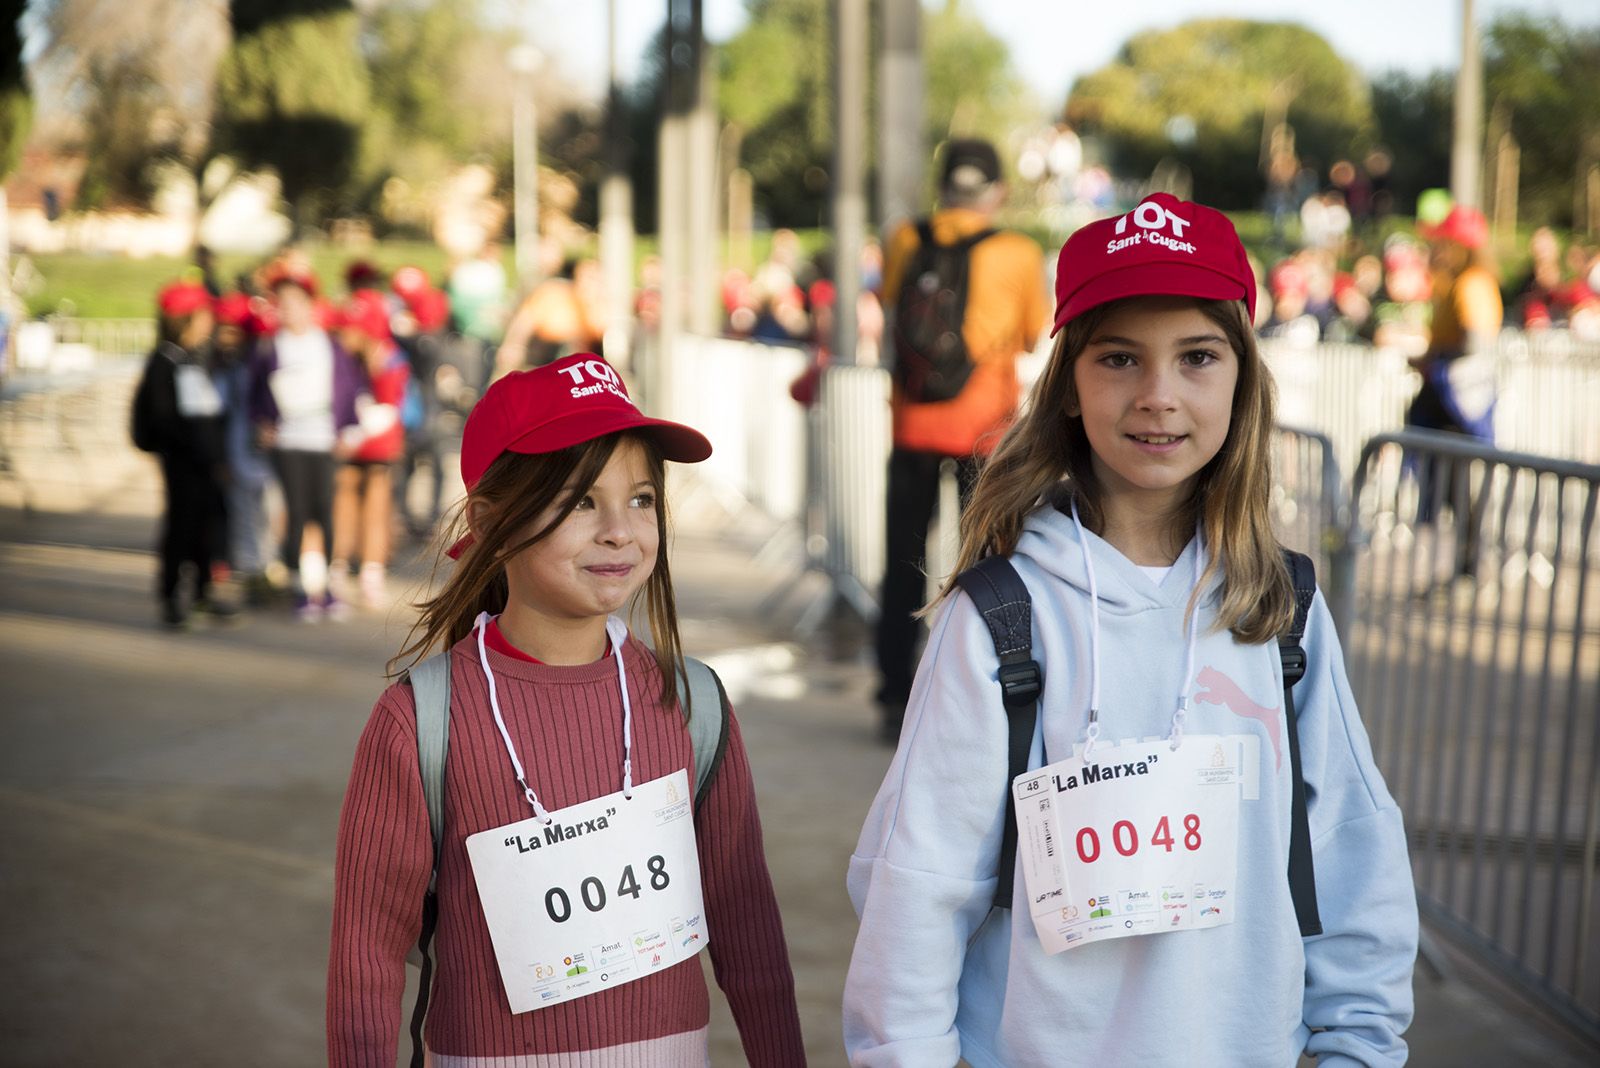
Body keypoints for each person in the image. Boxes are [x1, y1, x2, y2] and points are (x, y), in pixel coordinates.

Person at [843, 193, 1418, 1066]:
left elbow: (1351, 847)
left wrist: (1357, 1047)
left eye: (1197, 358)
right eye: (1119, 359)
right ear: (1070, 384)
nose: (1159, 397)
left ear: (1243, 379)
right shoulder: (1002, 619)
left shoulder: (1282, 607)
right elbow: (917, 886)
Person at [327, 353, 807, 1066]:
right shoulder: (422, 721)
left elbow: (747, 927)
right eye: (582, 501)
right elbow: (366, 958)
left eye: (641, 499)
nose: (619, 530)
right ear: (492, 523)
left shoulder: (692, 703)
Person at [875, 137, 1049, 741]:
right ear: (997, 191)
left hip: (912, 423)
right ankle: (982, 691)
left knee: (902, 561)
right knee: (986, 562)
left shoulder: (904, 239)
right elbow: (1031, 334)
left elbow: (894, 306)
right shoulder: (1018, 251)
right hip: (983, 430)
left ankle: (894, 697)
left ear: (944, 187)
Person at [248, 270, 364, 621]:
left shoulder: (328, 345)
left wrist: (349, 430)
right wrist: (262, 425)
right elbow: (254, 395)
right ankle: (300, 585)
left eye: (297, 303)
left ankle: (329, 584)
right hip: (289, 440)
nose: (290, 311)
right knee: (296, 511)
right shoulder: (270, 347)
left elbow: (348, 389)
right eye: (283, 304)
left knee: (325, 510)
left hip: (323, 439)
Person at [1405, 204, 1501, 581]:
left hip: (1456, 403)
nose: (1438, 248)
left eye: (1445, 241)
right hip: (1443, 400)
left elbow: (1475, 342)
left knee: (1460, 489)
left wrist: (1436, 361)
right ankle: (1463, 566)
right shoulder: (1454, 281)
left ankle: (1470, 567)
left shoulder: (1473, 282)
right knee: (1451, 489)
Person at [135, 282, 237, 629]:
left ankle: (201, 594)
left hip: (202, 465)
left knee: (203, 529)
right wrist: (194, 450)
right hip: (184, 464)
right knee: (181, 528)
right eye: (204, 315)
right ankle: (172, 597)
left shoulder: (189, 359)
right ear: (185, 319)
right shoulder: (164, 363)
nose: (210, 322)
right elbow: (163, 420)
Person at [329, 289, 409, 607]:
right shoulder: (344, 356)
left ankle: (370, 574)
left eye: (351, 327)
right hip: (351, 439)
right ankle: (337, 566)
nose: (343, 333)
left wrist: (350, 438)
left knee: (376, 506)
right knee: (343, 500)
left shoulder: (389, 358)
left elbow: (388, 410)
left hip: (376, 441)